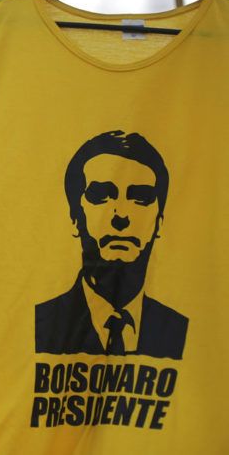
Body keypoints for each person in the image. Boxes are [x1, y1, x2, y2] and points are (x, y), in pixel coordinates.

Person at [35, 130, 188, 359]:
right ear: (75, 217)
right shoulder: (40, 323)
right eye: (101, 196)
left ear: (159, 222)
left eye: (141, 198)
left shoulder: (181, 330)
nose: (121, 215)